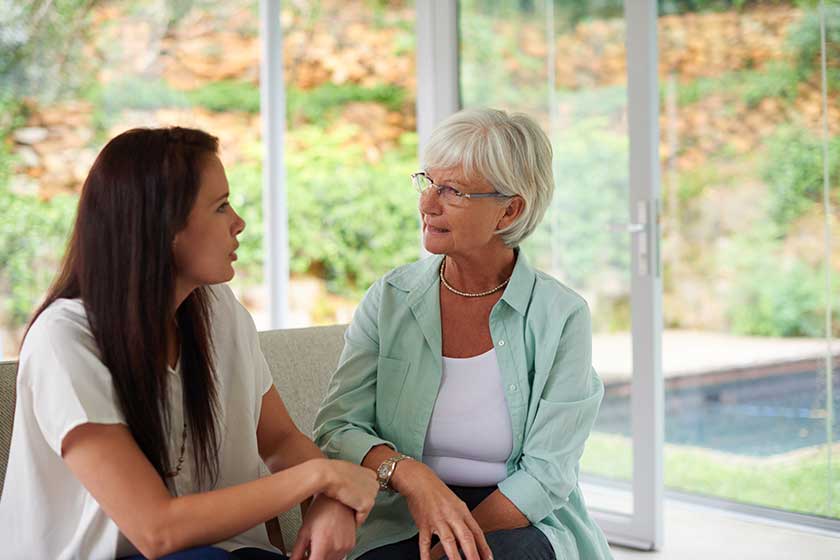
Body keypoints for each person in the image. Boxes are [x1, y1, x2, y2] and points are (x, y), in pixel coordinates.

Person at [0, 127, 378, 560]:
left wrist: (330, 502)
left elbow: (278, 441)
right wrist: (320, 477)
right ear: (162, 227)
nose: (239, 222)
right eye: (220, 207)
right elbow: (155, 530)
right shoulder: (65, 340)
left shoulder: (218, 309)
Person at [314, 108, 613, 560]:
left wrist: (449, 544)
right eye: (427, 182)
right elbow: (338, 427)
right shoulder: (391, 298)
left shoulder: (561, 316)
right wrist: (412, 477)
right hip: (403, 515)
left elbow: (547, 474)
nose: (427, 203)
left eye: (451, 190)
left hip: (516, 519)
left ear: (509, 210)